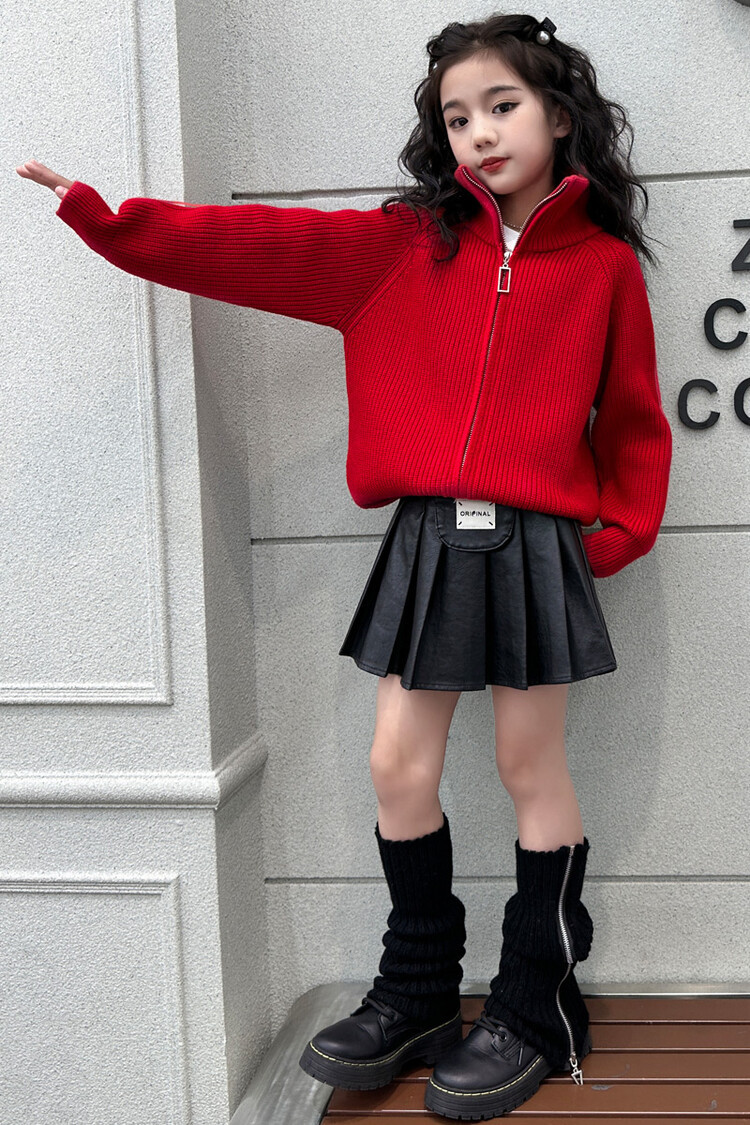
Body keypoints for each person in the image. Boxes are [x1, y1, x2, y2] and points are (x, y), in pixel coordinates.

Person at [16, 11, 672, 1118]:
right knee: (396, 765)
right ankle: (418, 988)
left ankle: (535, 1004)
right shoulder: (402, 247)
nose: (479, 133)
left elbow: (636, 419)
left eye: (502, 106)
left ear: (560, 116)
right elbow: (250, 246)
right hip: (426, 537)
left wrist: (615, 535)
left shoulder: (603, 266)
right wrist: (106, 218)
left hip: (535, 542)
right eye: (456, 117)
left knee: (530, 765)